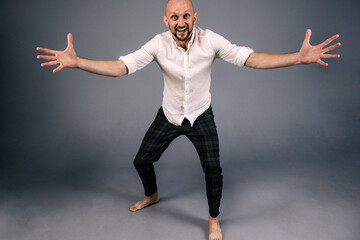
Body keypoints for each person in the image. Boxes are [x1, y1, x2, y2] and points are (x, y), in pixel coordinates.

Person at [36, 0, 341, 239]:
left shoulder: (211, 41)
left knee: (213, 170)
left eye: (185, 16)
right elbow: (120, 67)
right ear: (166, 21)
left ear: (195, 18)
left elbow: (252, 59)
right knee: (141, 161)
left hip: (200, 115)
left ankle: (213, 218)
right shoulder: (157, 44)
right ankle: (152, 194)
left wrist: (297, 58)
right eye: (174, 17)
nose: (180, 22)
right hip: (169, 115)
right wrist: (78, 63)